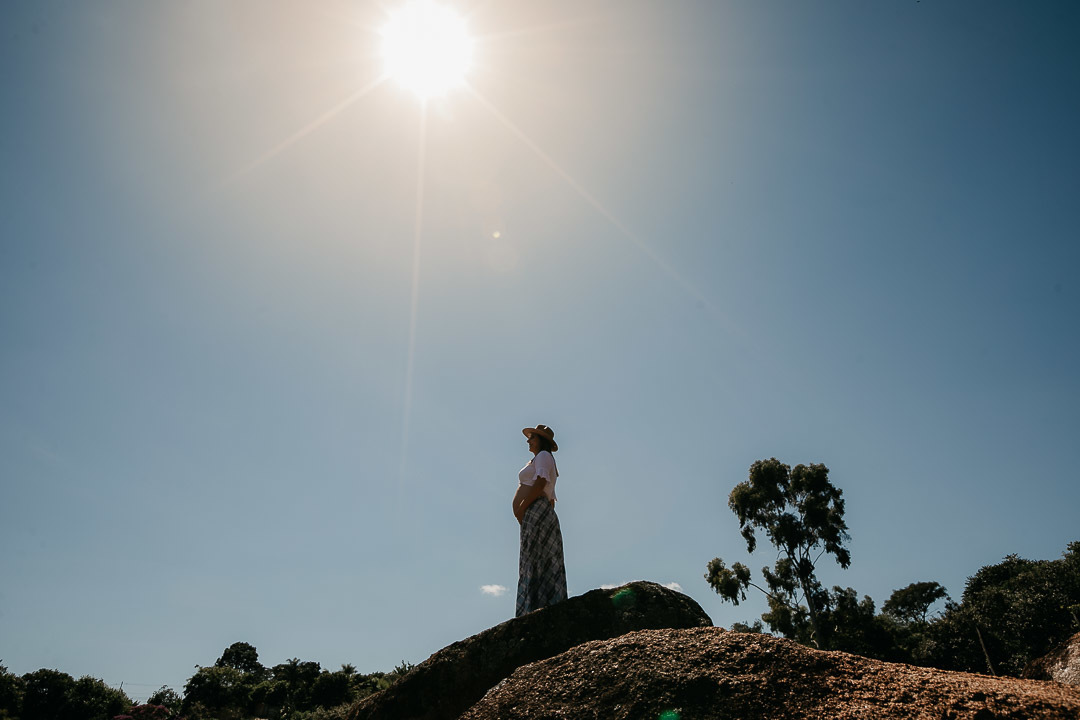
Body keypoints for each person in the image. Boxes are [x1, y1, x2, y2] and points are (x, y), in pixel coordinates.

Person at [513, 424, 568, 616]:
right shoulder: (538, 459)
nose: (529, 440)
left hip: (536, 510)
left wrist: (522, 507)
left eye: (533, 438)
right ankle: (536, 605)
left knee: (537, 557)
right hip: (536, 512)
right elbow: (551, 497)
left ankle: (539, 605)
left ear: (542, 441)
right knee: (535, 557)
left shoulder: (544, 456)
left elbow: (541, 484)